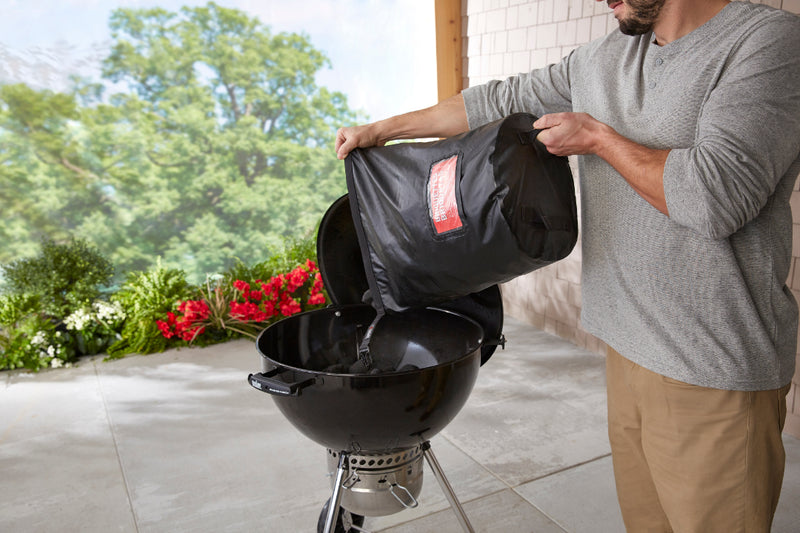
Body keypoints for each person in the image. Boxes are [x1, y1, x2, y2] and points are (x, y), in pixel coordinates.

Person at [335, 0, 800, 531]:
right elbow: (497, 99)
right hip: (626, 345)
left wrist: (599, 138)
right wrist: (386, 129)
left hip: (712, 365)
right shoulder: (606, 57)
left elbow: (715, 198)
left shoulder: (768, 42)